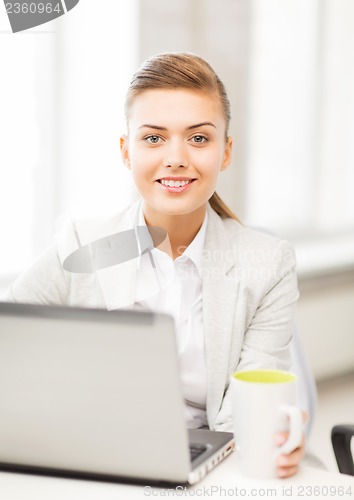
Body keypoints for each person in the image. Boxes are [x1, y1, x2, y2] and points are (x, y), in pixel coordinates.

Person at [6, 52, 306, 477]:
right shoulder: (82, 243)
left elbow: (251, 403)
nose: (176, 157)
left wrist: (267, 434)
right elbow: (9, 342)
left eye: (199, 138)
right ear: (126, 151)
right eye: (154, 138)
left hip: (214, 467)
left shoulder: (266, 264)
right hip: (88, 457)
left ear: (226, 151)